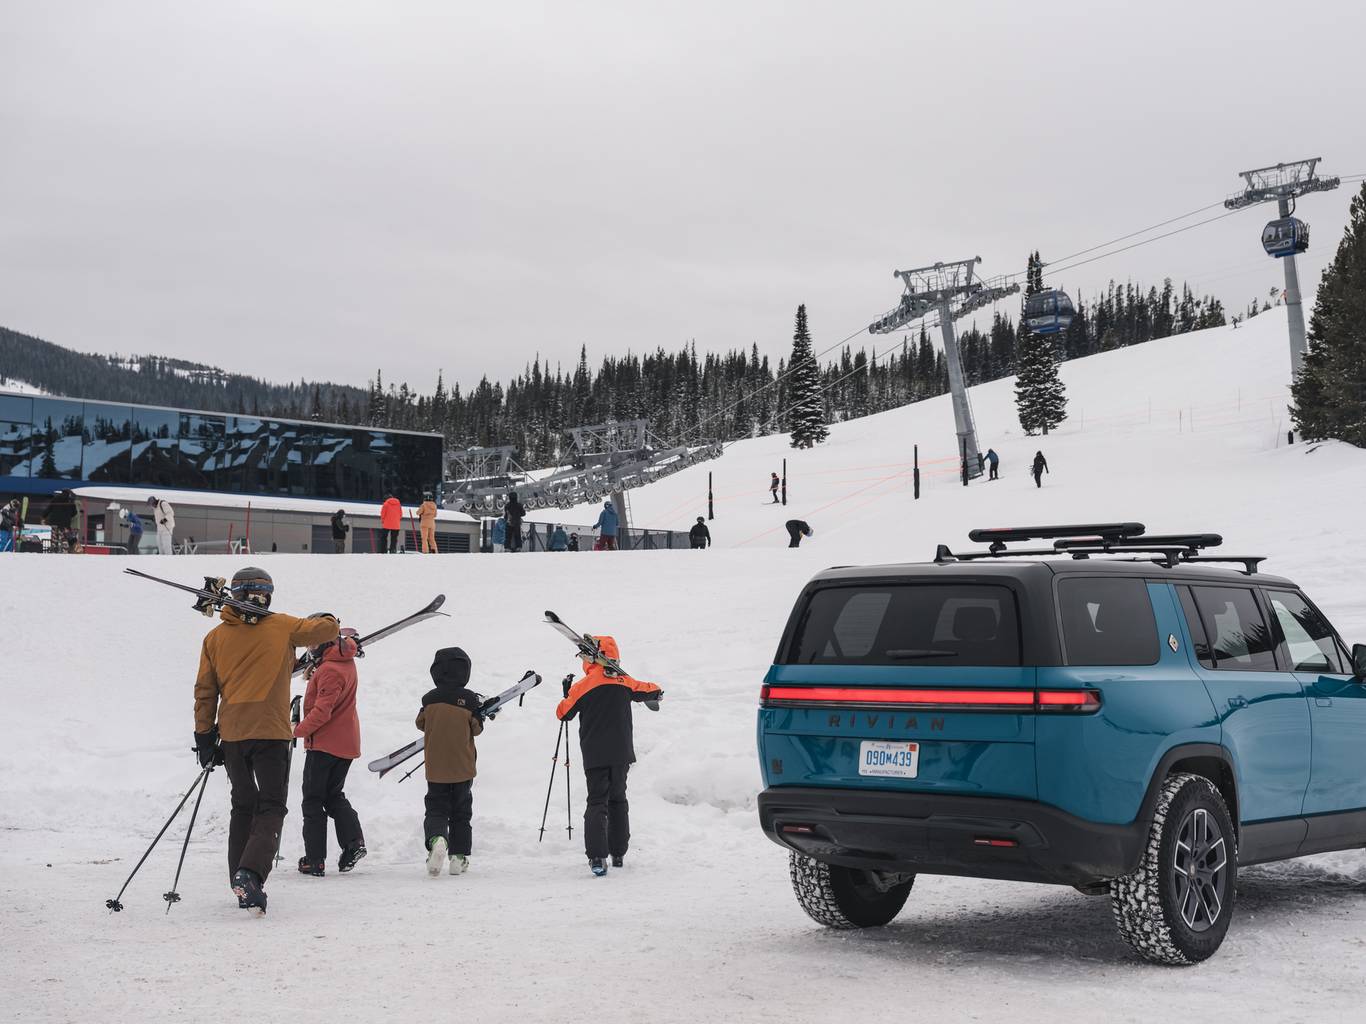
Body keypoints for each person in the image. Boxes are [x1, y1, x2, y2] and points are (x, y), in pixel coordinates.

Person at [193, 567, 339, 914]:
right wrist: (330, 616)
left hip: (232, 734)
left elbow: (205, 692)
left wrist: (203, 736)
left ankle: (238, 878)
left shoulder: (215, 638)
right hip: (271, 732)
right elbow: (328, 629)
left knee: (243, 804)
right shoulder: (284, 626)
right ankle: (250, 873)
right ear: (266, 596)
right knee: (272, 805)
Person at [555, 636, 663, 876]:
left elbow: (563, 714)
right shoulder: (625, 681)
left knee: (597, 802)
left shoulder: (583, 686)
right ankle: (619, 853)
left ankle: (596, 858)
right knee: (618, 800)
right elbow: (651, 689)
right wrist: (657, 693)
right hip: (622, 753)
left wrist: (566, 692)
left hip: (595, 755)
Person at [293, 626, 366, 877]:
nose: (309, 651)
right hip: (344, 743)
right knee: (333, 796)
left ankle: (314, 860)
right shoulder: (343, 663)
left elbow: (323, 711)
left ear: (326, 644)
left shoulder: (330, 670)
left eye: (313, 645)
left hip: (325, 744)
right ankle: (353, 843)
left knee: (313, 800)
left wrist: (297, 730)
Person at [416, 647, 485, 877]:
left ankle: (437, 839)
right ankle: (458, 857)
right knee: (461, 812)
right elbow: (476, 729)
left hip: (436, 768)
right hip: (463, 768)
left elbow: (420, 723)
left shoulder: (429, 699)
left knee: (436, 809)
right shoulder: (469, 699)